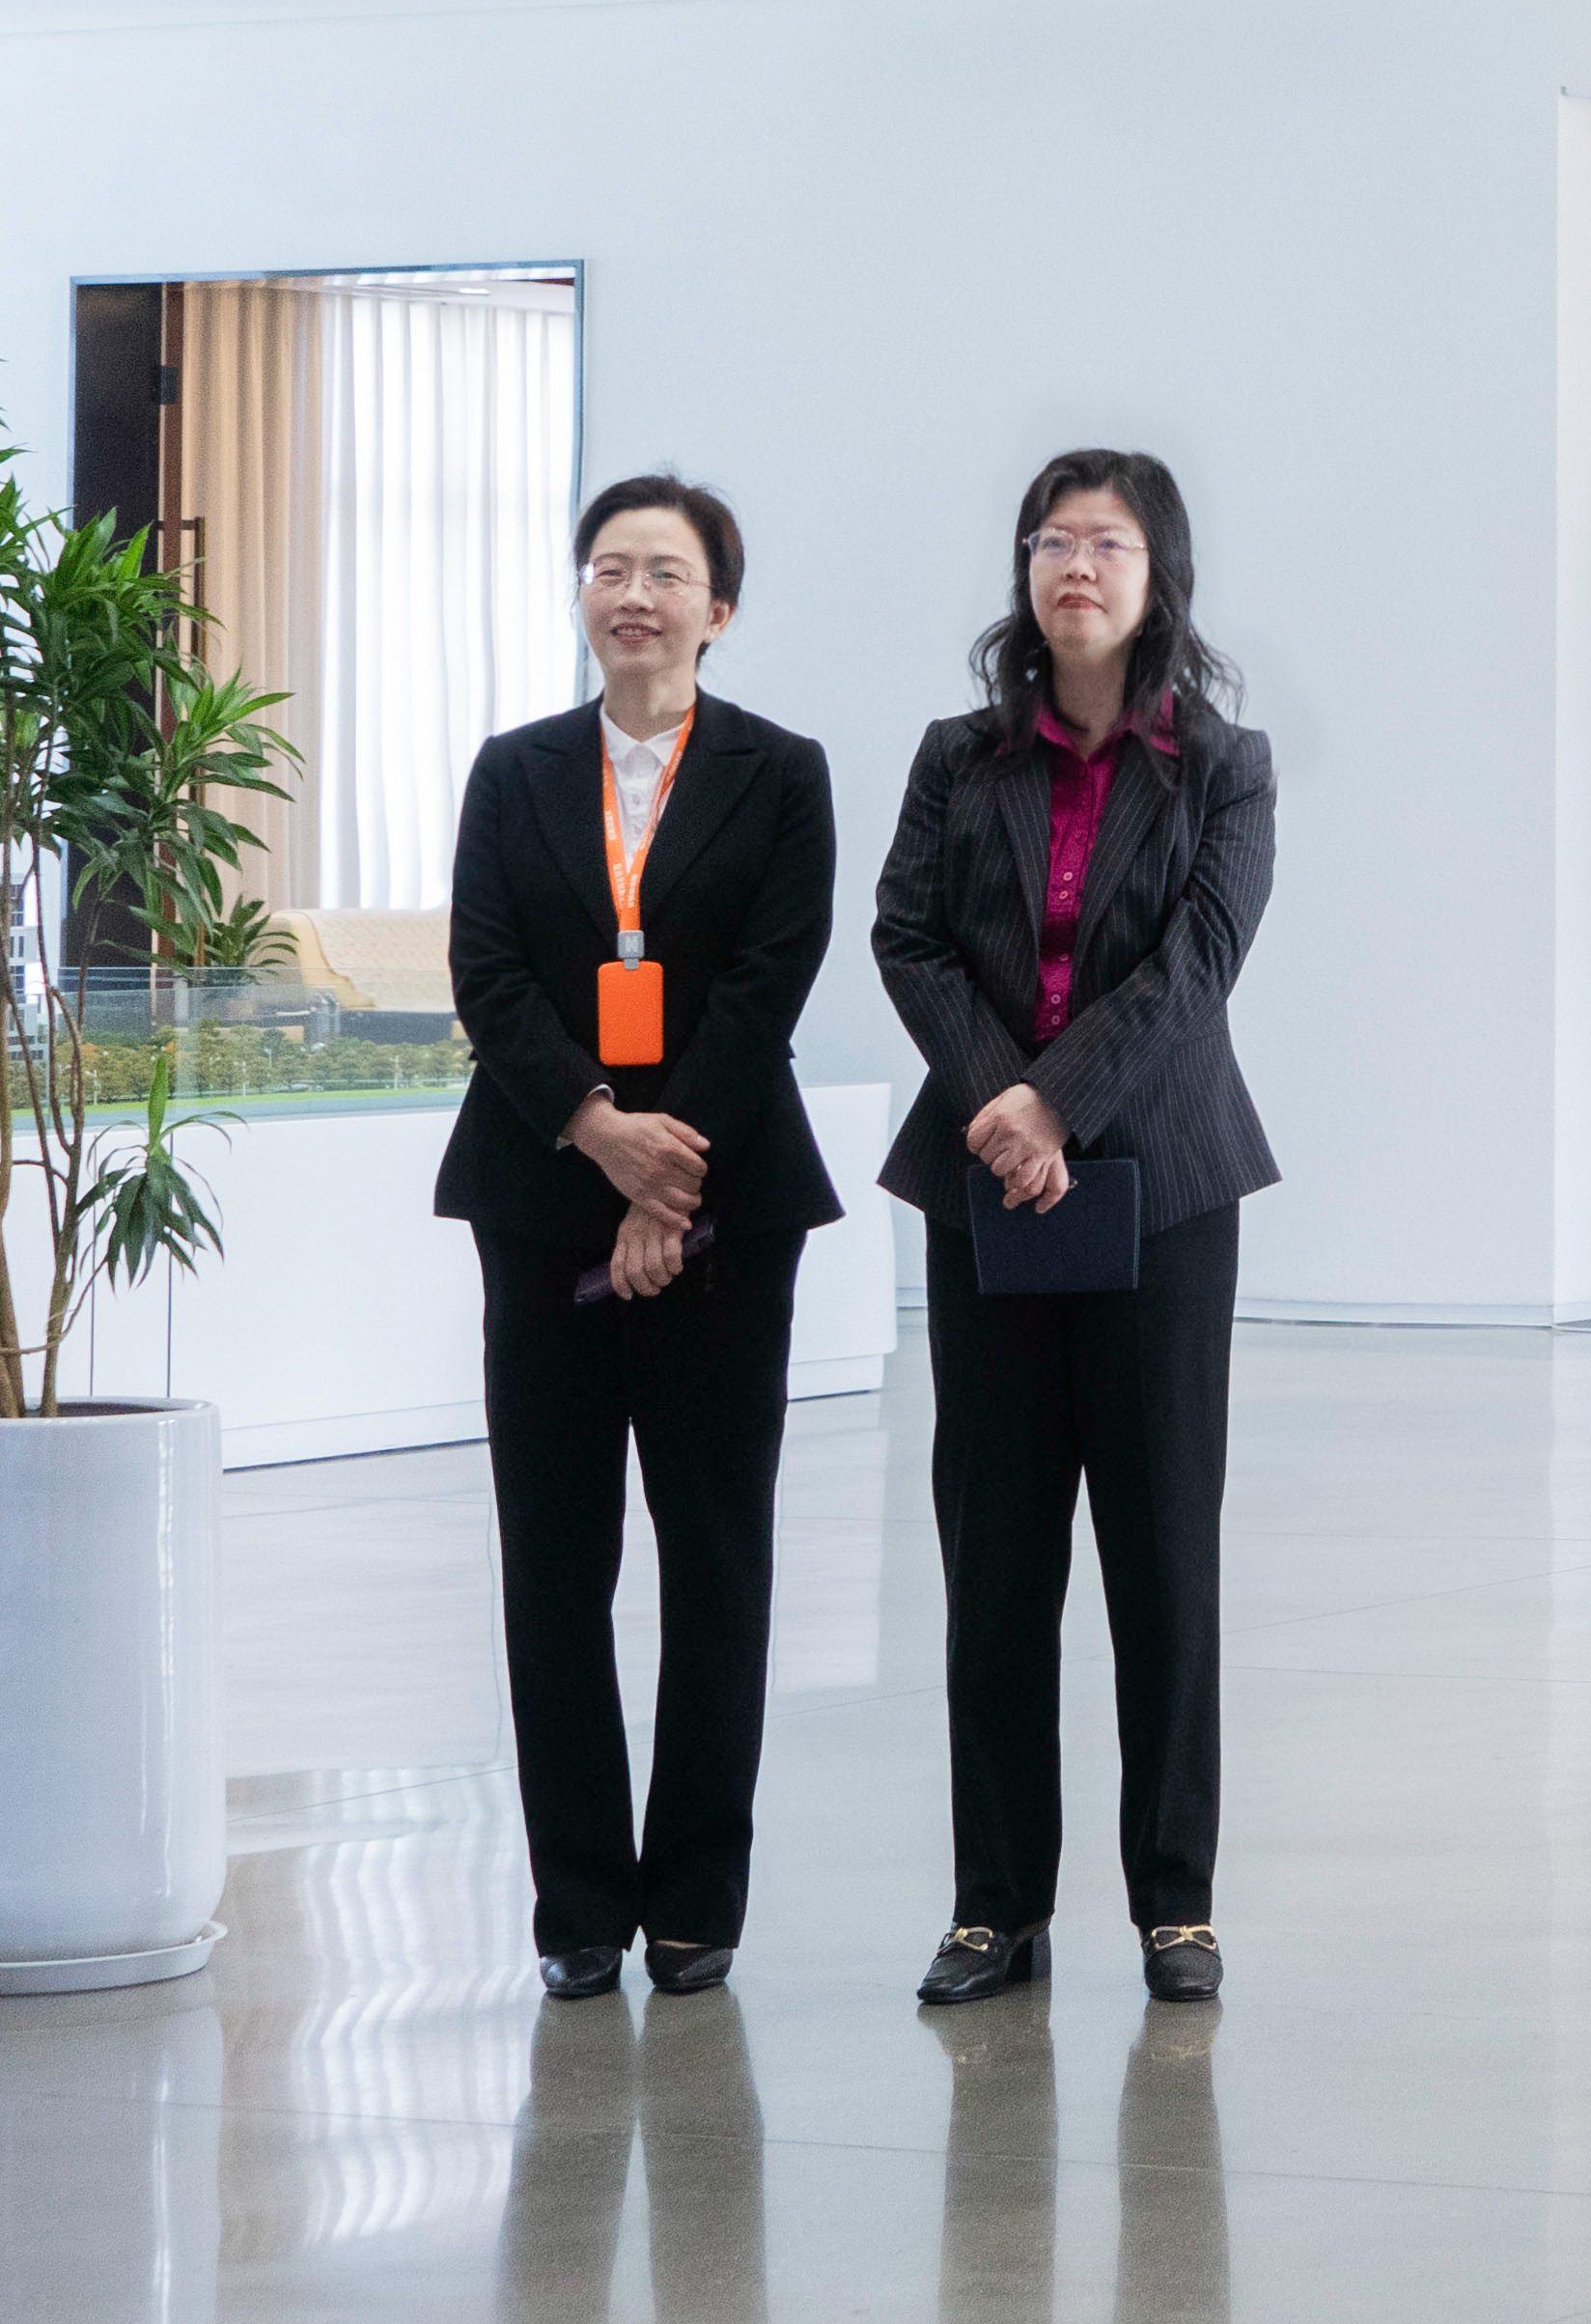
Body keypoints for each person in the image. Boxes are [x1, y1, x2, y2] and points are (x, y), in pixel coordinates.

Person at [872, 448, 1282, 2009]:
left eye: (1106, 541)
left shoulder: (1224, 767)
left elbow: (1200, 962)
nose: (1075, 566)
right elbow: (907, 934)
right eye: (1050, 540)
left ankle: (1176, 1904)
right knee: (993, 1560)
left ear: (1158, 571)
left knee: (1164, 1558)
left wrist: (1058, 1102)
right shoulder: (957, 755)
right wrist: (1002, 1103)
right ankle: (995, 1906)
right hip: (985, 1188)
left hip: (1163, 1189)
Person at [438, 476, 839, 2002]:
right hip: (540, 1199)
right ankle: (579, 1909)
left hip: (729, 1204)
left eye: (666, 572)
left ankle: (693, 1902)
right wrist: (601, 1133)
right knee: (554, 1560)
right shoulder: (514, 770)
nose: (634, 595)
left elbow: (768, 979)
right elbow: (488, 974)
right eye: (609, 567)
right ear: (582, 595)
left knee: (715, 1552)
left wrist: (668, 1182)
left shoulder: (780, 772)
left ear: (717, 608)